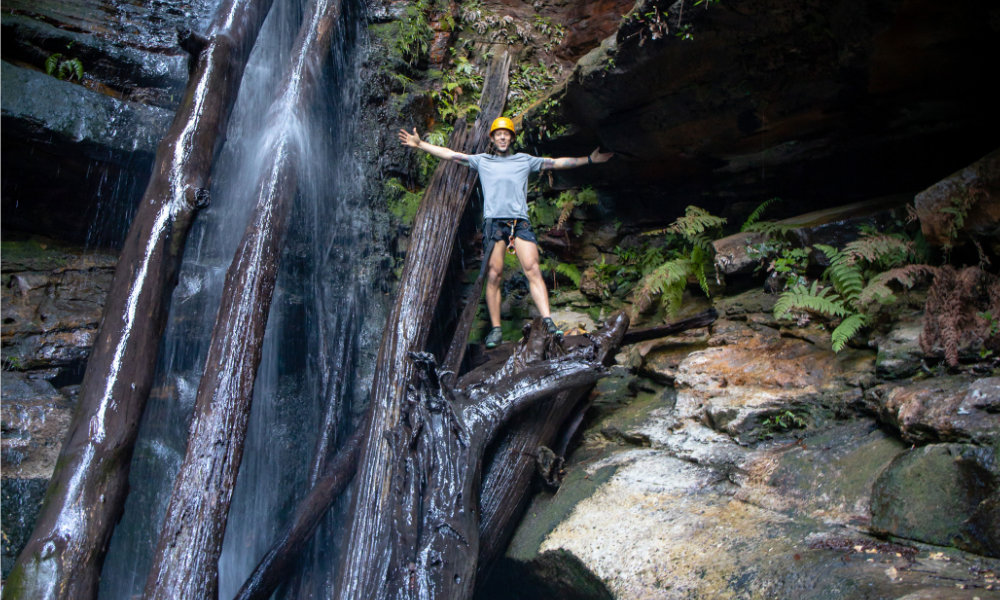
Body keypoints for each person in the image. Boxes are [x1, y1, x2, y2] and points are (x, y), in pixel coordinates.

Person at [398, 116, 613, 348]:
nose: (502, 137)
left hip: (519, 223)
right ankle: (497, 329)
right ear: (492, 138)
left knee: (532, 268)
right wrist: (420, 144)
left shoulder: (525, 160)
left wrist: (590, 160)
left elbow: (556, 163)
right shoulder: (482, 161)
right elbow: (451, 155)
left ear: (511, 137)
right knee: (494, 275)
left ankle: (549, 320)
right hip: (494, 224)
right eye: (498, 134)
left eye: (506, 133)